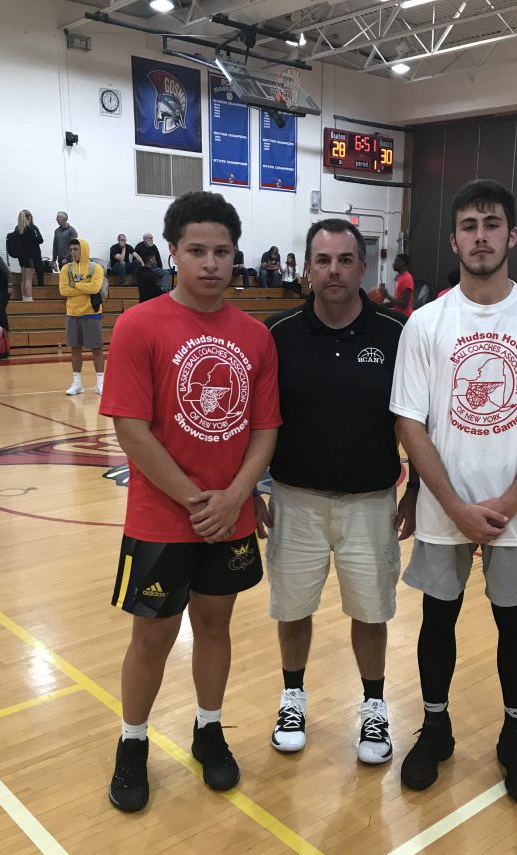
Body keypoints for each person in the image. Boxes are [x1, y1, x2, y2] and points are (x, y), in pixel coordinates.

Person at [390, 178, 517, 802]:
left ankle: (514, 737)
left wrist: (509, 501)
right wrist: (450, 504)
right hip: (448, 508)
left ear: (511, 235)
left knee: (514, 624)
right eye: (468, 226)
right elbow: (409, 422)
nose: (480, 236)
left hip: (514, 512)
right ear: (454, 239)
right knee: (436, 619)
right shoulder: (425, 322)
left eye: (491, 224)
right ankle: (436, 727)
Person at [99, 190, 281, 812]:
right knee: (151, 637)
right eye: (196, 250)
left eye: (222, 251)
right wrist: (198, 500)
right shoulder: (138, 324)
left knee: (215, 625)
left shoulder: (255, 337)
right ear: (172, 250)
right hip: (161, 517)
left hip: (229, 516)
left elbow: (265, 431)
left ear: (236, 257)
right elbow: (130, 428)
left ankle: (209, 728)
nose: (210, 262)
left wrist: (234, 498)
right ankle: (132, 742)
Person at [255, 218, 417, 765]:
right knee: (292, 607)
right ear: (305, 269)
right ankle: (292, 696)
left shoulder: (396, 334)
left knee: (371, 613)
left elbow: (414, 421)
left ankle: (374, 708)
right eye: (322, 260)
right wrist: (256, 487)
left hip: (371, 502)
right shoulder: (277, 334)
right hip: (295, 499)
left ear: (362, 267)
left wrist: (416, 488)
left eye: (345, 260)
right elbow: (258, 421)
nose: (333, 271)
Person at [59, 239, 105, 396]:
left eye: (76, 249)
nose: (73, 252)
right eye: (71, 249)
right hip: (72, 313)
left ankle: (100, 383)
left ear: (83, 249)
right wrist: (83, 287)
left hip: (91, 313)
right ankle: (77, 383)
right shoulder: (66, 268)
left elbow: (95, 288)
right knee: (75, 349)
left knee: (97, 348)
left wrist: (75, 285)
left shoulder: (96, 268)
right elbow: (63, 290)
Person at [14, 210, 44, 300]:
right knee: (28, 279)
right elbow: (39, 240)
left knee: (23, 279)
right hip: (31, 256)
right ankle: (29, 298)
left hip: (21, 257)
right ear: (28, 217)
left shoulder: (17, 229)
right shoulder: (30, 229)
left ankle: (24, 297)